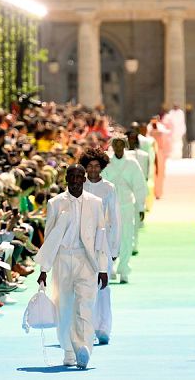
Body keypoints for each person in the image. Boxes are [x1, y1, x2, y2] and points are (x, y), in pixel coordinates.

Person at [36, 165, 109, 369]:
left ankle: (83, 348)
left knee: (85, 305)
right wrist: (44, 269)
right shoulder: (55, 203)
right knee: (64, 306)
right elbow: (50, 238)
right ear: (66, 178)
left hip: (87, 260)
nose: (76, 180)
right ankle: (69, 351)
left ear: (84, 179)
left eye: (79, 177)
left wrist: (102, 268)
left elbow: (100, 236)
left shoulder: (96, 203)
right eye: (72, 177)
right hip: (62, 259)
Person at [79, 148, 121, 345]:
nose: (93, 170)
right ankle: (86, 326)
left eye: (97, 166)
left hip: (103, 242)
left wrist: (115, 248)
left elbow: (115, 218)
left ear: (102, 167)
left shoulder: (109, 188)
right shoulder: (79, 185)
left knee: (103, 286)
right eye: (90, 166)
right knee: (85, 286)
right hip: (81, 243)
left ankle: (103, 327)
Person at [102, 137, 147, 284]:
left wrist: (141, 206)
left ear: (125, 146)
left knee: (127, 237)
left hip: (127, 205)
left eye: (121, 144)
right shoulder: (107, 162)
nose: (118, 147)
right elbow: (101, 183)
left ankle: (124, 269)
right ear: (112, 146)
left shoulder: (132, 163)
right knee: (109, 237)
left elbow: (139, 185)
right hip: (109, 205)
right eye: (116, 144)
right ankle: (110, 268)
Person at [148, 116, 170, 199]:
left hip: (160, 153)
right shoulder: (149, 129)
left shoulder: (162, 129)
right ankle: (152, 192)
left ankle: (158, 193)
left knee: (160, 173)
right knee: (151, 172)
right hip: (151, 152)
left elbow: (166, 141)